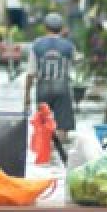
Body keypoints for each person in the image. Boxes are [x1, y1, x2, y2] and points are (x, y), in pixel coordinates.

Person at [24, 12, 78, 154]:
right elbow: (76, 62)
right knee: (62, 128)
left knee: (42, 127)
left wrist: (27, 95)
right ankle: (61, 157)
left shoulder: (36, 46)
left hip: (43, 88)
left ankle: (45, 155)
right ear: (61, 28)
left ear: (45, 27)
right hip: (62, 88)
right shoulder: (68, 46)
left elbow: (30, 73)